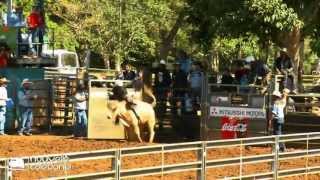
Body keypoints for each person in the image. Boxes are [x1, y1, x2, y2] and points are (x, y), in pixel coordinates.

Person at [154, 59, 172, 130]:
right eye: (160, 65)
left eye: (162, 65)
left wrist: (165, 88)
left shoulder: (166, 73)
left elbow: (169, 81)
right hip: (158, 91)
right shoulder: (157, 72)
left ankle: (161, 122)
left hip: (163, 91)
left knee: (163, 106)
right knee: (157, 106)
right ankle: (158, 122)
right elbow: (156, 81)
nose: (161, 66)